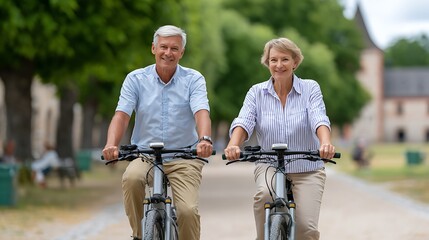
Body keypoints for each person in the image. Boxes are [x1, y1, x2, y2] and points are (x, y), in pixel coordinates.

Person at [102, 25, 213, 240]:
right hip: (145, 154)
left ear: (181, 53)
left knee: (187, 211)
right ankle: (139, 234)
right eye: (163, 47)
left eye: (174, 48)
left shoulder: (193, 79)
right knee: (132, 179)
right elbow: (122, 115)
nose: (168, 53)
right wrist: (111, 144)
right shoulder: (135, 79)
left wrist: (205, 139)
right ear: (153, 48)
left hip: (185, 157)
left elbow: (201, 111)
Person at [224, 37, 336, 240]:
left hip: (307, 166)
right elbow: (244, 121)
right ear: (267, 63)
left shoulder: (310, 88)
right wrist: (233, 145)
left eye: (285, 59)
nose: (279, 65)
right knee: (264, 196)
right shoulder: (256, 92)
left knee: (306, 230)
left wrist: (325, 143)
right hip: (269, 164)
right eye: (273, 60)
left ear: (295, 62)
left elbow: (318, 116)